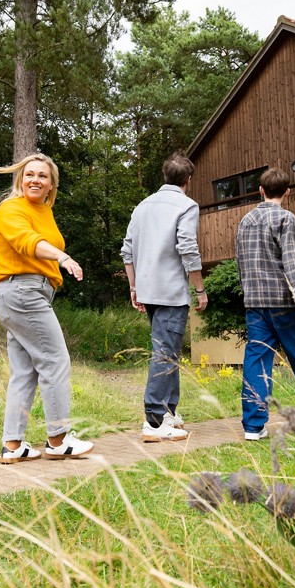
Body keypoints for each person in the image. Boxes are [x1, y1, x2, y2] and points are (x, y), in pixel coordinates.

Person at [0, 153, 95, 464]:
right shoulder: (11, 208)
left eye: (43, 176)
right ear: (20, 180)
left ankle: (13, 445)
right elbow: (27, 241)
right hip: (22, 292)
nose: (35, 179)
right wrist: (63, 258)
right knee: (55, 361)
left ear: (51, 185)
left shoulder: (44, 210)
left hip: (27, 294)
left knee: (24, 372)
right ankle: (58, 439)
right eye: (29, 174)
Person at [234, 168, 295, 440]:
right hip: (284, 303)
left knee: (257, 361)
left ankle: (253, 427)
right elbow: (290, 261)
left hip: (254, 303)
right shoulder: (286, 219)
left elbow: (241, 263)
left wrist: (248, 294)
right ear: (287, 192)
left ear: (260, 191)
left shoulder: (245, 221)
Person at [121, 153, 208, 443]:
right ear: (189, 180)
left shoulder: (142, 206)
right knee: (165, 353)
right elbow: (188, 248)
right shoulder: (187, 205)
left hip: (147, 289)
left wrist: (134, 288)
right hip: (171, 292)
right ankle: (154, 420)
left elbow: (127, 251)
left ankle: (170, 412)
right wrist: (199, 288)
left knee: (168, 350)